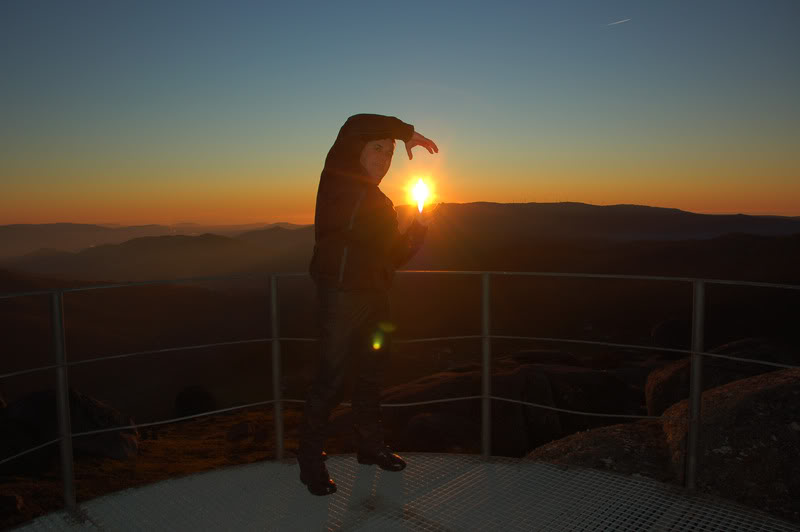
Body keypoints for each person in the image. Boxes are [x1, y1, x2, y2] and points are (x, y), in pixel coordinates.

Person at [298, 113, 438, 496]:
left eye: (389, 152)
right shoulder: (338, 179)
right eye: (376, 148)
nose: (384, 157)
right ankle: (310, 462)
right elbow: (356, 122)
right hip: (340, 298)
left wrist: (420, 227)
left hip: (375, 298)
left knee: (370, 377)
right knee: (329, 383)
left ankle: (369, 447)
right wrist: (406, 133)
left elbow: (393, 256)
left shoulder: (382, 203)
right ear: (356, 150)